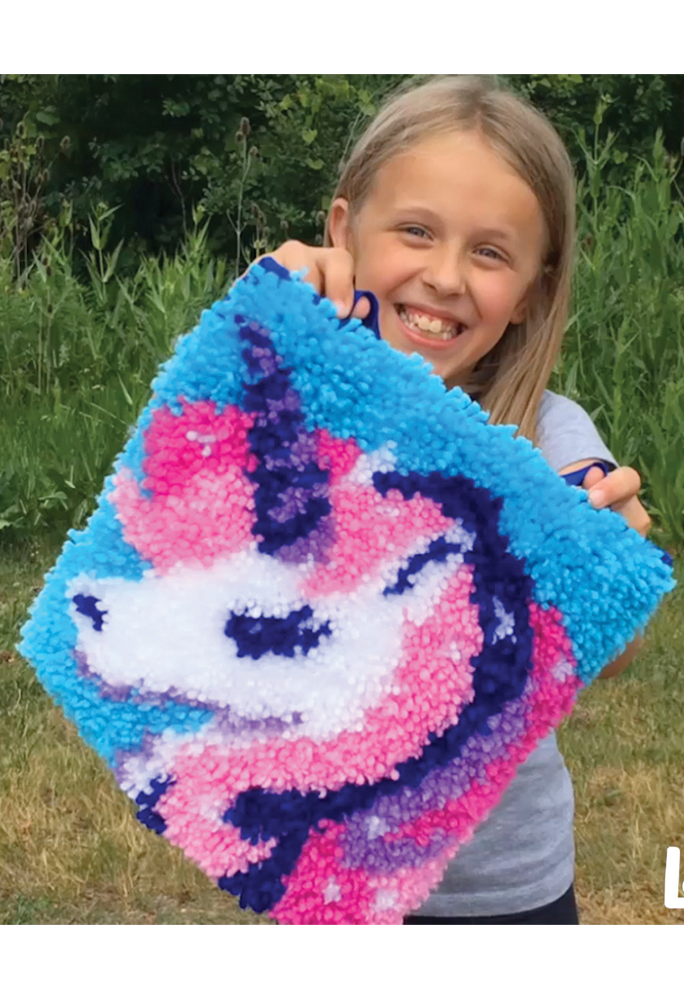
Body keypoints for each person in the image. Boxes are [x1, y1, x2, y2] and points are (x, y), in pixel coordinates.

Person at [260, 75, 652, 924]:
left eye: (490, 253)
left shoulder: (547, 437)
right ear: (343, 233)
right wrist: (261, 327)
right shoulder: (296, 402)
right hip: (322, 868)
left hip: (504, 894)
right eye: (416, 231)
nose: (444, 276)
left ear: (533, 291)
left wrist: (605, 562)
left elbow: (614, 650)